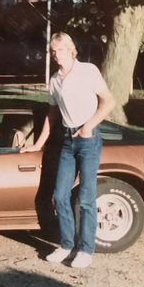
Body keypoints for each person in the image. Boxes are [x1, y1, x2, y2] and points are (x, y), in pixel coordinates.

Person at [21, 32, 115, 268]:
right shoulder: (54, 79)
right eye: (53, 51)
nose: (56, 54)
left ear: (71, 50)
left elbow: (109, 101)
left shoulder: (88, 71)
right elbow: (52, 115)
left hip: (88, 138)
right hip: (65, 139)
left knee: (85, 196)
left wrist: (88, 127)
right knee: (60, 195)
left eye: (60, 50)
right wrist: (37, 144)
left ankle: (86, 250)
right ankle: (66, 245)